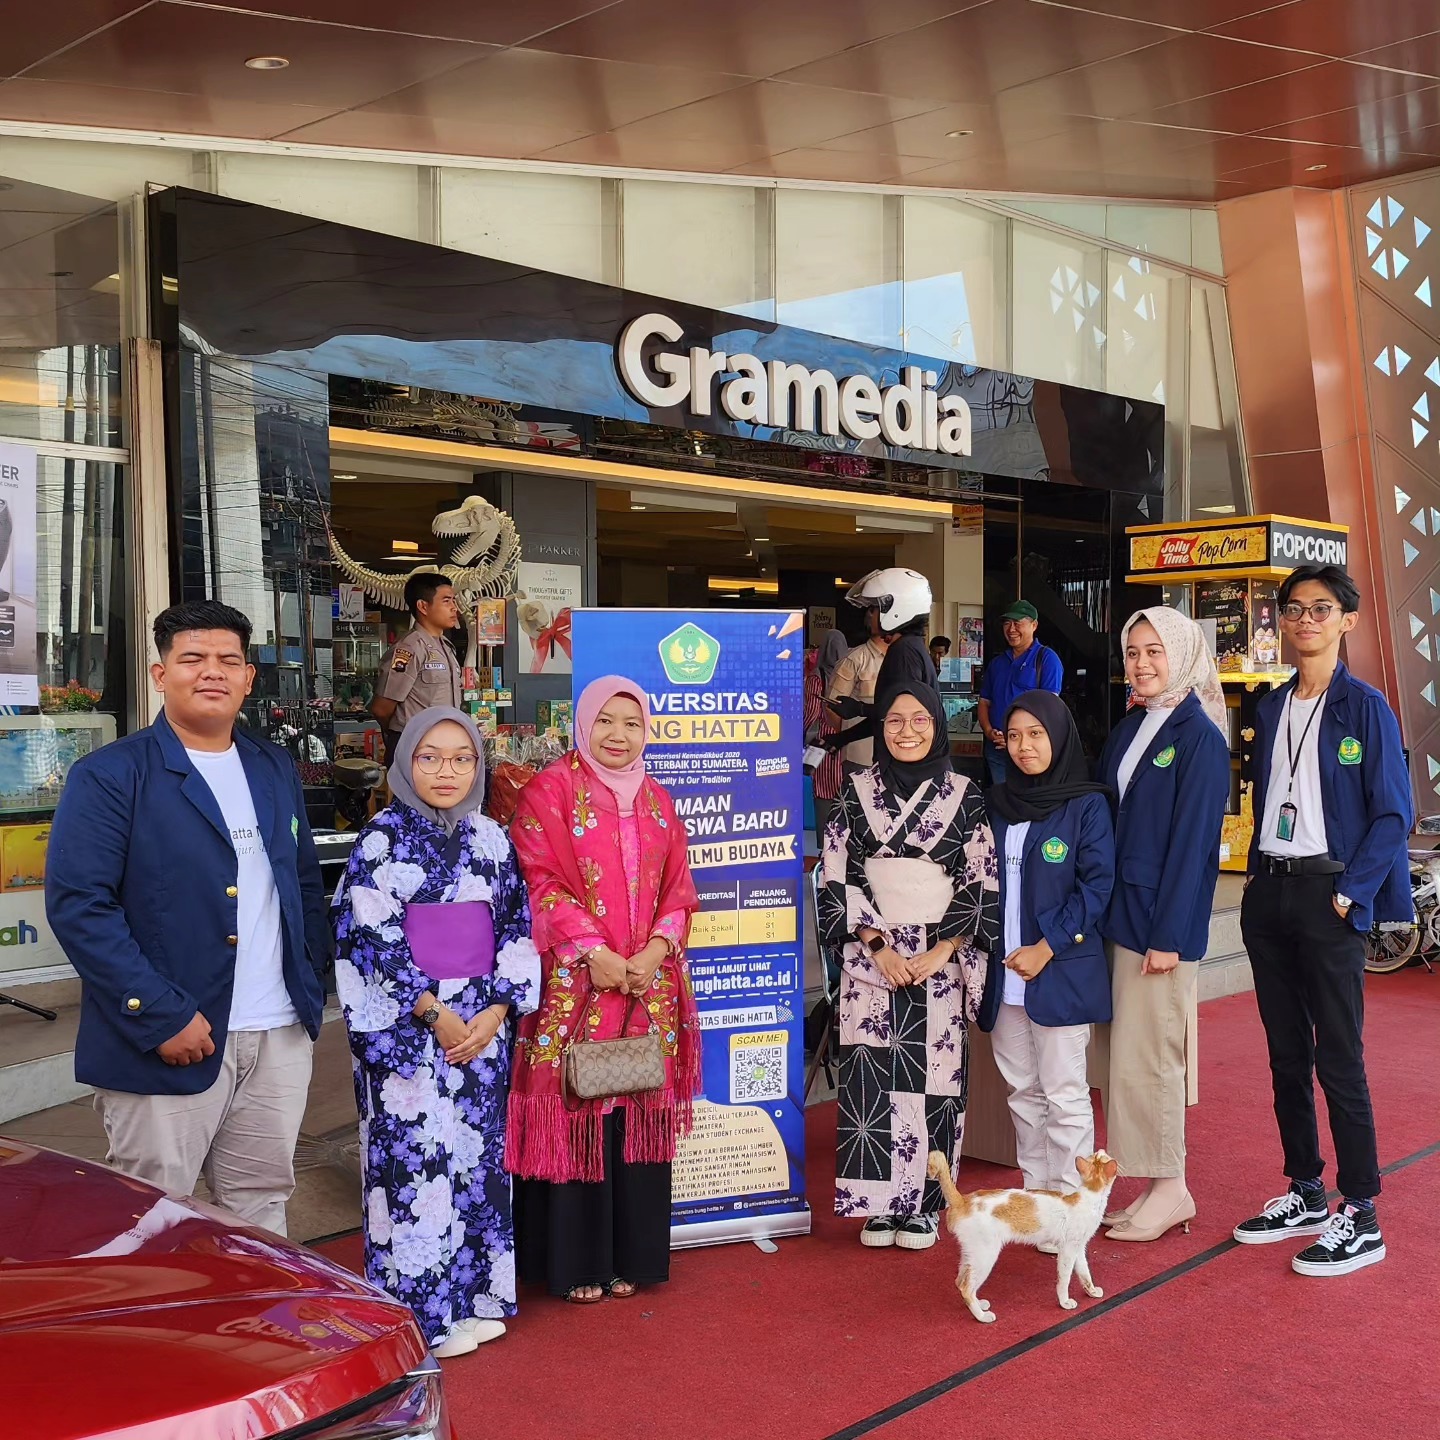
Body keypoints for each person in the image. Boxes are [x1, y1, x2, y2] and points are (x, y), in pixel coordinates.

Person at [45, 600, 329, 1235]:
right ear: (159, 674)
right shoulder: (111, 775)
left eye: (229, 660)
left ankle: (258, 1310)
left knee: (260, 1215)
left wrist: (310, 984)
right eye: (193, 658)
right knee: (153, 1220)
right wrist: (159, 1013)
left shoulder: (272, 766)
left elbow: (302, 883)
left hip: (277, 1031)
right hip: (168, 1038)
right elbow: (80, 906)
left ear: (248, 678)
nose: (212, 672)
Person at [332, 707, 540, 1358]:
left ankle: (477, 1297)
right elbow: (369, 938)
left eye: (461, 758)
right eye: (430, 757)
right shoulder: (379, 842)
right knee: (414, 1167)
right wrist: (431, 1011)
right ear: (405, 764)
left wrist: (497, 1011)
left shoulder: (492, 838)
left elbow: (517, 927)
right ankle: (422, 1313)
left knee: (477, 1163)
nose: (446, 771)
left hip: (480, 1025)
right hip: (411, 1029)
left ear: (479, 765)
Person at [1233, 566, 1411, 1276]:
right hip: (1271, 894)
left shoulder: (1366, 708)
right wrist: (1256, 874)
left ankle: (1360, 1212)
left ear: (1347, 621)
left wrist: (1350, 895)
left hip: (1328, 895)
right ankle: (1306, 1190)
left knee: (1338, 1057)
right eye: (1294, 608)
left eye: (1322, 608)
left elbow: (1393, 813)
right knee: (1285, 1055)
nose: (1305, 619)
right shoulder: (1272, 705)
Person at [506, 677, 700, 1303]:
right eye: (606, 721)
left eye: (632, 723)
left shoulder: (659, 800)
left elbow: (680, 891)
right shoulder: (549, 791)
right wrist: (595, 953)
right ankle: (577, 1261)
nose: (618, 735)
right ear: (583, 723)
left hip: (646, 985)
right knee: (578, 1102)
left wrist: (655, 951)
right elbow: (537, 879)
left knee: (633, 1104)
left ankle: (629, 1256)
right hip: (576, 985)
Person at [819, 679, 998, 1251]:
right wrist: (878, 945)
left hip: (939, 957)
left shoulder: (966, 795)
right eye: (894, 720)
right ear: (880, 728)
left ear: (938, 725)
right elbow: (836, 871)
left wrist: (943, 950)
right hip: (873, 957)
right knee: (870, 1078)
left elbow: (981, 879)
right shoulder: (855, 791)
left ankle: (925, 1204)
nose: (906, 731)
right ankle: (877, 1204)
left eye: (920, 720)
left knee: (935, 1083)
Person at [1096, 607, 1229, 1242]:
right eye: (1133, 652)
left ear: (1181, 654)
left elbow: (1194, 847)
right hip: (1118, 914)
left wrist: (1169, 937)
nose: (1142, 663)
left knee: (1153, 1058)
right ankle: (1153, 1184)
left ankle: (1171, 1186)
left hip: (1157, 927)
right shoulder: (1132, 726)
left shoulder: (1200, 736)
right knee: (1126, 1058)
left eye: (1155, 651)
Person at [981, 690, 1114, 1195]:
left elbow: (1096, 887)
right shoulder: (996, 804)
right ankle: (1038, 1196)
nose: (1024, 747)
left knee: (1064, 1095)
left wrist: (1047, 946)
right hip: (1004, 976)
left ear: (1058, 736)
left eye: (1036, 734)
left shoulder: (1086, 805)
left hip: (1059, 971)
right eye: (1014, 736)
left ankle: (1073, 1203)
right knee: (1022, 1092)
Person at [825, 568, 937, 767]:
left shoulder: (903, 652)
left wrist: (859, 708)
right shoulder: (911, 647)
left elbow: (903, 715)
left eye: (874, 608)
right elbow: (889, 716)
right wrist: (843, 738)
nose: (869, 615)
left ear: (896, 611)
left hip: (902, 767)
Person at [371, 572, 464, 768]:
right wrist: (404, 735)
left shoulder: (446, 648)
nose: (454, 607)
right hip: (415, 747)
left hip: (444, 747)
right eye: (446, 601)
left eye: (454, 600)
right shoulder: (410, 648)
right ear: (423, 606)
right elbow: (381, 708)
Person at [978, 601, 1063, 786]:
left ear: (1034, 625)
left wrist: (1016, 738)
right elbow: (984, 702)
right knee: (1002, 798)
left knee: (1028, 798)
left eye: (1018, 623)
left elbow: (1050, 709)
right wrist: (989, 732)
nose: (1011, 629)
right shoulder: (997, 663)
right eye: (1007, 623)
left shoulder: (1047, 659)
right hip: (997, 750)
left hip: (1029, 751)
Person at [805, 628, 848, 841]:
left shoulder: (817, 678)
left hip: (824, 743)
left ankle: (826, 846)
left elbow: (811, 713)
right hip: (848, 740)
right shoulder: (850, 676)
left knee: (824, 794)